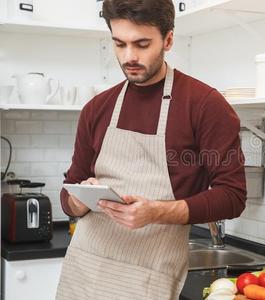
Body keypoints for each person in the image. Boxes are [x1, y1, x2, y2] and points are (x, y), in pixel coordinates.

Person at [55, 0, 247, 299]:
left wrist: (156, 211)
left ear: (168, 39)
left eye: (142, 44)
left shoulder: (205, 106)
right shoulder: (97, 108)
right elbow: (69, 194)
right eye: (119, 44)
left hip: (148, 275)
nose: (129, 56)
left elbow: (232, 196)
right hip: (86, 268)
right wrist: (80, 201)